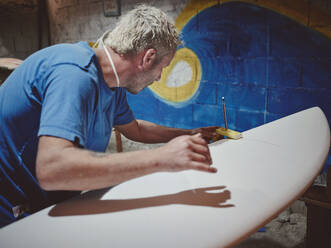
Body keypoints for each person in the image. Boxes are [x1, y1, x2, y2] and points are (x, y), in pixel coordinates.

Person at [0, 5, 220, 228]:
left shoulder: (111, 85)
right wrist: (162, 158)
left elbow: (136, 129)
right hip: (13, 208)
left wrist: (191, 134)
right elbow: (52, 169)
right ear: (148, 57)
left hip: (48, 198)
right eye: (162, 68)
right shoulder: (74, 73)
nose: (158, 78)